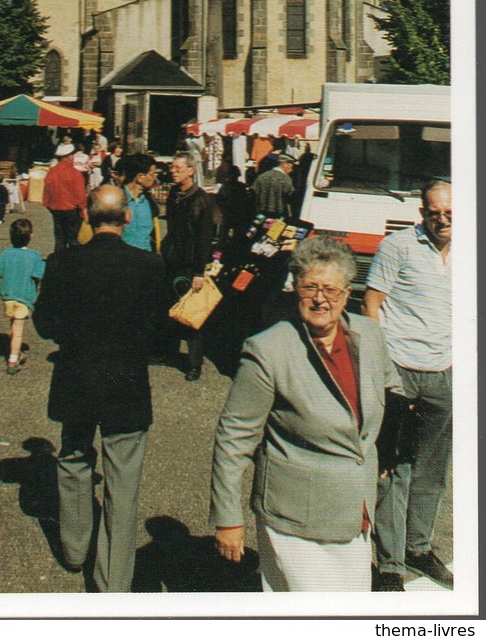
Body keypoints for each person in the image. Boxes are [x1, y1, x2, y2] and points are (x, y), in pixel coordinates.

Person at [210, 236, 403, 592]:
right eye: (310, 287)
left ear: (347, 293)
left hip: (355, 509)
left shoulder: (370, 334)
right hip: (295, 515)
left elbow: (392, 390)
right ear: (294, 289)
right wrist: (228, 518)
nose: (320, 298)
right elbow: (233, 438)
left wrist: (387, 451)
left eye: (330, 289)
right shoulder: (268, 350)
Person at [33, 186, 165, 592]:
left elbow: (44, 325)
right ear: (128, 218)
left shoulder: (62, 262)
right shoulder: (150, 265)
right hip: (125, 381)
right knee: (122, 480)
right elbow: (161, 339)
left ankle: (75, 547)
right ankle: (113, 580)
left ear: (86, 217)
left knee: (73, 457)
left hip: (76, 376)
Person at [362, 179, 453, 591]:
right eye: (434, 212)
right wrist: (383, 369)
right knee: (393, 469)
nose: (442, 219)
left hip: (444, 373)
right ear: (422, 213)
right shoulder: (397, 246)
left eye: (449, 212)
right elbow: (371, 305)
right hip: (400, 370)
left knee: (432, 470)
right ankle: (391, 565)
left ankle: (419, 548)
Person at [161, 151, 215, 381]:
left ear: (191, 170)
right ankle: (169, 352)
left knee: (192, 314)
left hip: (190, 264)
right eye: (172, 168)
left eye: (178, 168)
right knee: (171, 309)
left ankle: (194, 364)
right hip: (172, 260)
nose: (173, 171)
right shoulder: (174, 194)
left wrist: (199, 272)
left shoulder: (201, 200)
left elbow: (204, 239)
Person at [0, 218, 45, 374]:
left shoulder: (6, 253)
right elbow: (39, 274)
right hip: (23, 297)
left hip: (7, 297)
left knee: (13, 326)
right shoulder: (34, 256)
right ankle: (12, 360)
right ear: (30, 236)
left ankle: (15, 351)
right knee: (18, 331)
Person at [42, 142, 87, 253]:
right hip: (72, 211)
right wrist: (83, 210)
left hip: (56, 210)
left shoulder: (51, 173)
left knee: (59, 240)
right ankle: (73, 265)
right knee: (73, 240)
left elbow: (46, 196)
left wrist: (50, 207)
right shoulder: (75, 173)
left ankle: (58, 265)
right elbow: (80, 195)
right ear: (69, 156)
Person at [121, 153, 159, 252]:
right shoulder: (117, 200)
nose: (155, 178)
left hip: (145, 260)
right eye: (152, 174)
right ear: (140, 177)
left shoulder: (149, 202)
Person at [215, 164, 256, 245]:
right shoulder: (241, 187)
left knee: (228, 235)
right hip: (234, 214)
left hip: (233, 214)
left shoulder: (226, 187)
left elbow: (219, 199)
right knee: (233, 235)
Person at [251, 152, 295, 218]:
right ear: (284, 164)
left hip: (261, 215)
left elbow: (253, 192)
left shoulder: (262, 176)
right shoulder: (286, 179)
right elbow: (291, 197)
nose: (292, 170)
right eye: (291, 166)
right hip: (277, 217)